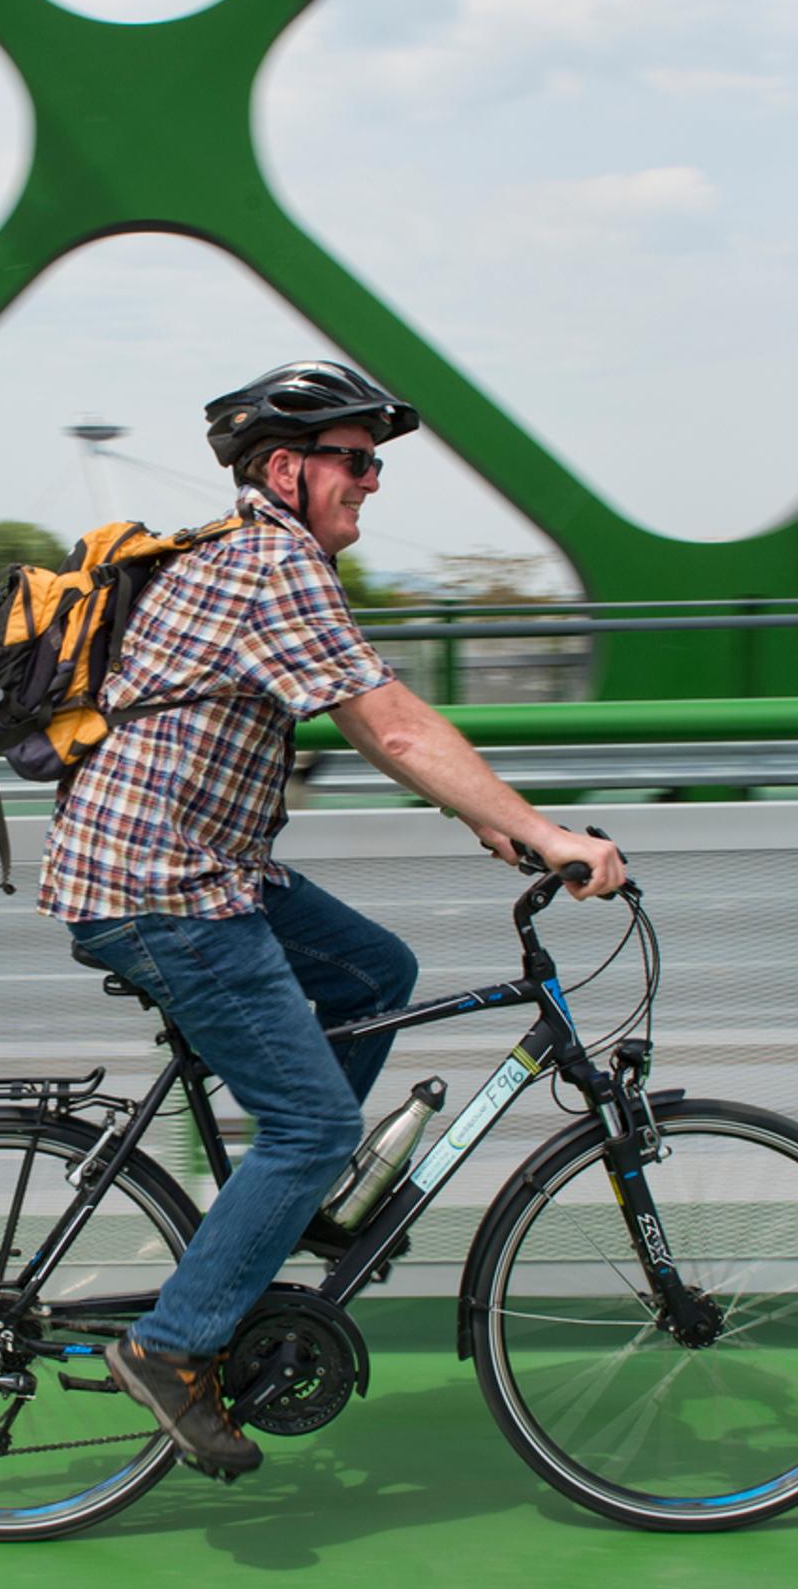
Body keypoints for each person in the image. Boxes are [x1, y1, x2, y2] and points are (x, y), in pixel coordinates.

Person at [44, 360, 629, 1480]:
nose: (371, 482)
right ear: (285, 469)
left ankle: (281, 1213)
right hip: (163, 887)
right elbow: (394, 724)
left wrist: (500, 823)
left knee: (373, 972)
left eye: (375, 463)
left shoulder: (247, 551)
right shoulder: (273, 560)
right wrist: (548, 833)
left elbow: (377, 725)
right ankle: (170, 1347)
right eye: (354, 462)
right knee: (311, 1126)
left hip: (196, 866)